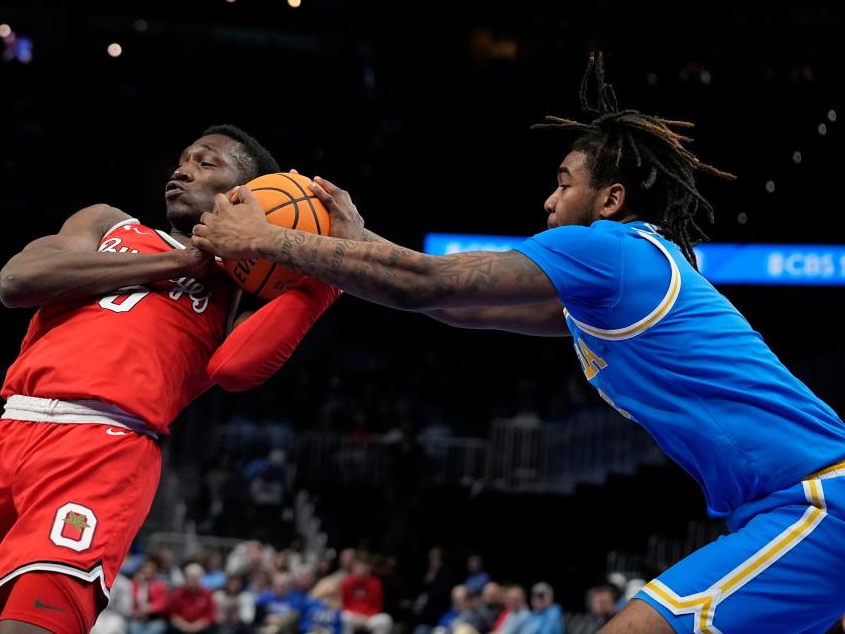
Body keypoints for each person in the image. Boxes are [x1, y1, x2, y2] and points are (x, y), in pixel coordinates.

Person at [192, 55, 845, 634]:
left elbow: (426, 282)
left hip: (814, 500)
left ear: (611, 199)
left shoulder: (610, 251)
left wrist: (267, 239)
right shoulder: (617, 285)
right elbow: (451, 305)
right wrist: (356, 238)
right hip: (781, 508)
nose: (548, 198)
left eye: (565, 182)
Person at [0, 125, 341, 634]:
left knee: (34, 621)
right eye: (183, 157)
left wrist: (324, 279)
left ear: (247, 195)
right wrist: (176, 261)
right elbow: (17, 281)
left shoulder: (241, 290)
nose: (183, 168)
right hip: (7, 427)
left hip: (105, 445)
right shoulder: (107, 222)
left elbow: (233, 371)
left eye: (207, 162)